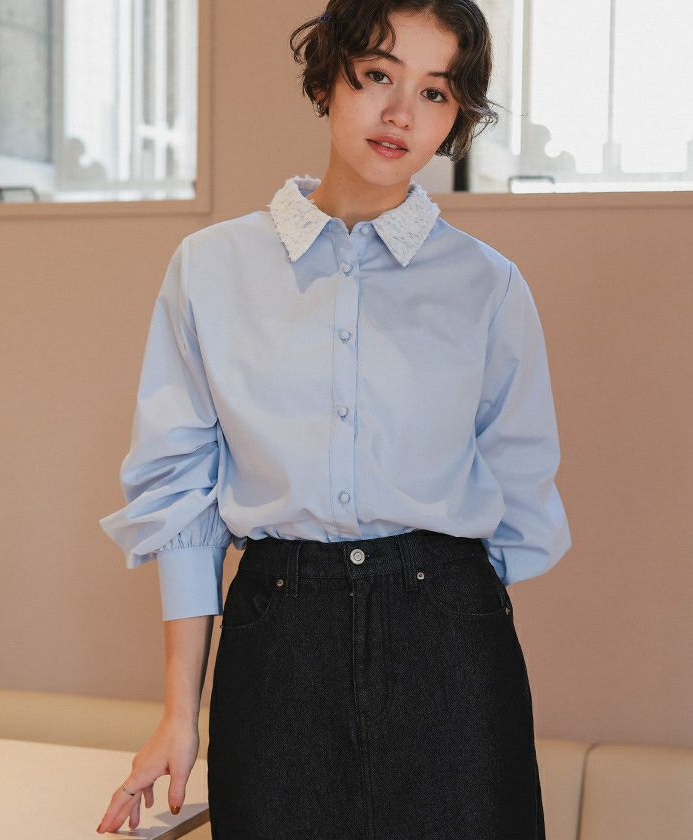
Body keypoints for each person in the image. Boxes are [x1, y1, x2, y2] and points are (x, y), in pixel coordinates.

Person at [96, 1, 572, 837]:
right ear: (328, 78)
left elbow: (518, 494)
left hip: (450, 647)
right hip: (277, 644)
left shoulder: (488, 287)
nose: (400, 114)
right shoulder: (211, 269)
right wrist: (179, 714)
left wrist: (442, 616)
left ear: (455, 117)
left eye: (435, 92)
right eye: (379, 75)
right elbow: (179, 496)